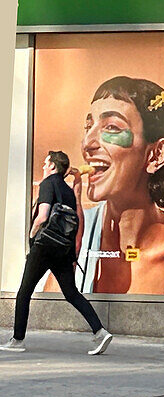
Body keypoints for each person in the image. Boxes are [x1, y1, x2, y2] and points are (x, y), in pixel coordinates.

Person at [72, 76, 164, 295]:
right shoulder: (73, 230)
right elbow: (44, 319)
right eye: (88, 126)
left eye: (111, 127)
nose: (87, 144)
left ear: (156, 155)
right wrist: (66, 254)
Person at [0, 151, 113, 354]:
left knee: (24, 292)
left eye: (45, 163)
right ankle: (100, 332)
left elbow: (42, 217)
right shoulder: (68, 191)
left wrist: (32, 237)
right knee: (71, 293)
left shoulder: (48, 183)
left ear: (52, 166)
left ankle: (17, 340)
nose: (43, 167)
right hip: (63, 249)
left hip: (44, 247)